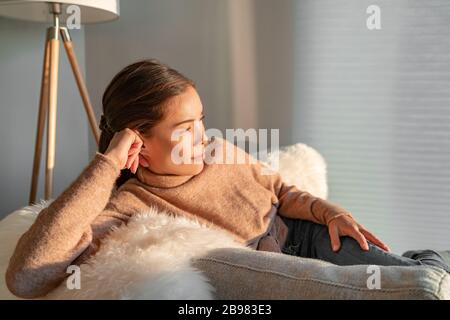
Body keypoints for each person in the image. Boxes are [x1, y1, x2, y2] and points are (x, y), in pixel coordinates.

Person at [6, 59, 450, 299]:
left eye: (201, 119)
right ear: (139, 143)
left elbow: (280, 189)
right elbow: (26, 279)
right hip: (273, 271)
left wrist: (328, 211)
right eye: (185, 129)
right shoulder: (131, 205)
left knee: (407, 276)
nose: (203, 136)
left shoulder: (221, 151)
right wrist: (108, 162)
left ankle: (427, 260)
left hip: (308, 236)